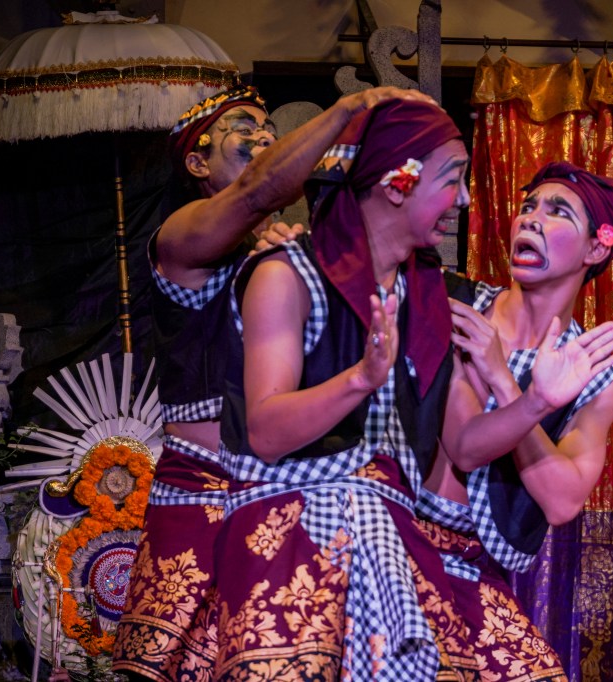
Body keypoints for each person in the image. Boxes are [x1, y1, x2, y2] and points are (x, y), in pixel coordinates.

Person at [112, 83, 436, 682]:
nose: (263, 135)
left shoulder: (288, 260)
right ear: (196, 160)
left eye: (268, 127)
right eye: (243, 126)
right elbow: (260, 188)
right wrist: (342, 110)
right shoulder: (179, 243)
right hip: (203, 499)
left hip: (287, 495)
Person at [213, 97, 487, 681]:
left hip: (396, 538)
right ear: (398, 183)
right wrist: (360, 379)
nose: (463, 201)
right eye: (452, 180)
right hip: (291, 535)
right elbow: (264, 431)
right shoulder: (286, 277)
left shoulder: (438, 295)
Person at [418, 161, 613, 681]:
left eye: (556, 212)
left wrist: (510, 385)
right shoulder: (458, 306)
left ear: (597, 248)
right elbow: (463, 448)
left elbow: (563, 498)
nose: (530, 219)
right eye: (528, 207)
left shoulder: (595, 375)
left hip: (475, 568)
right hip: (399, 542)